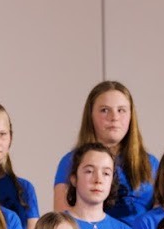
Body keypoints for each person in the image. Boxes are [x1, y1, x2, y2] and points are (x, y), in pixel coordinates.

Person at [51, 81, 157, 221]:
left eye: (121, 110)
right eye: (105, 110)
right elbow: (62, 221)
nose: (114, 118)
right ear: (91, 115)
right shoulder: (70, 162)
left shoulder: (151, 164)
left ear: (131, 115)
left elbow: (162, 219)